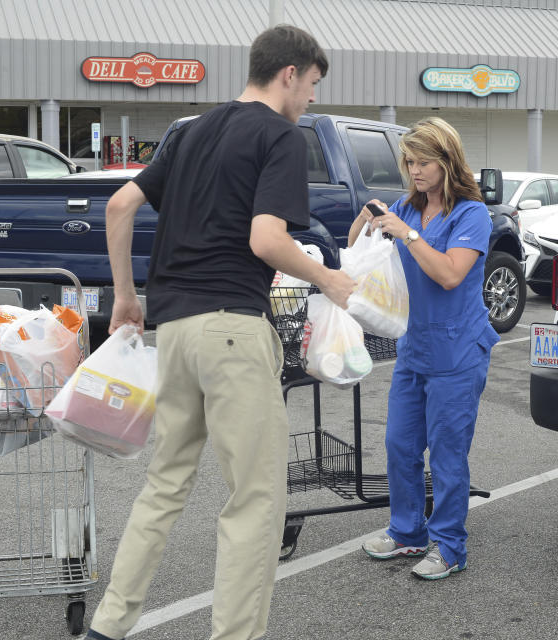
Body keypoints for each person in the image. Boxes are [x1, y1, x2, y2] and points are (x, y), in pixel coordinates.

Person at [83, 25, 355, 640]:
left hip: (173, 332)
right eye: (312, 85)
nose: (311, 98)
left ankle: (109, 623)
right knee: (255, 500)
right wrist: (330, 281)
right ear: (290, 73)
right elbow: (267, 240)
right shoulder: (281, 138)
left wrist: (128, 298)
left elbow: (119, 206)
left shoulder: (190, 132)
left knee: (164, 484)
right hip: (233, 329)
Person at [354, 117, 499, 580]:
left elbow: (450, 274)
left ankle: (450, 545)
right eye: (409, 162)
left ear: (448, 162)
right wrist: (364, 219)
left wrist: (408, 234)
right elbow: (359, 253)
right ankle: (407, 533)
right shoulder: (406, 206)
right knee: (399, 443)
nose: (415, 171)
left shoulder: (471, 214)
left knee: (447, 453)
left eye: (424, 162)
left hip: (457, 350)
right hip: (414, 347)